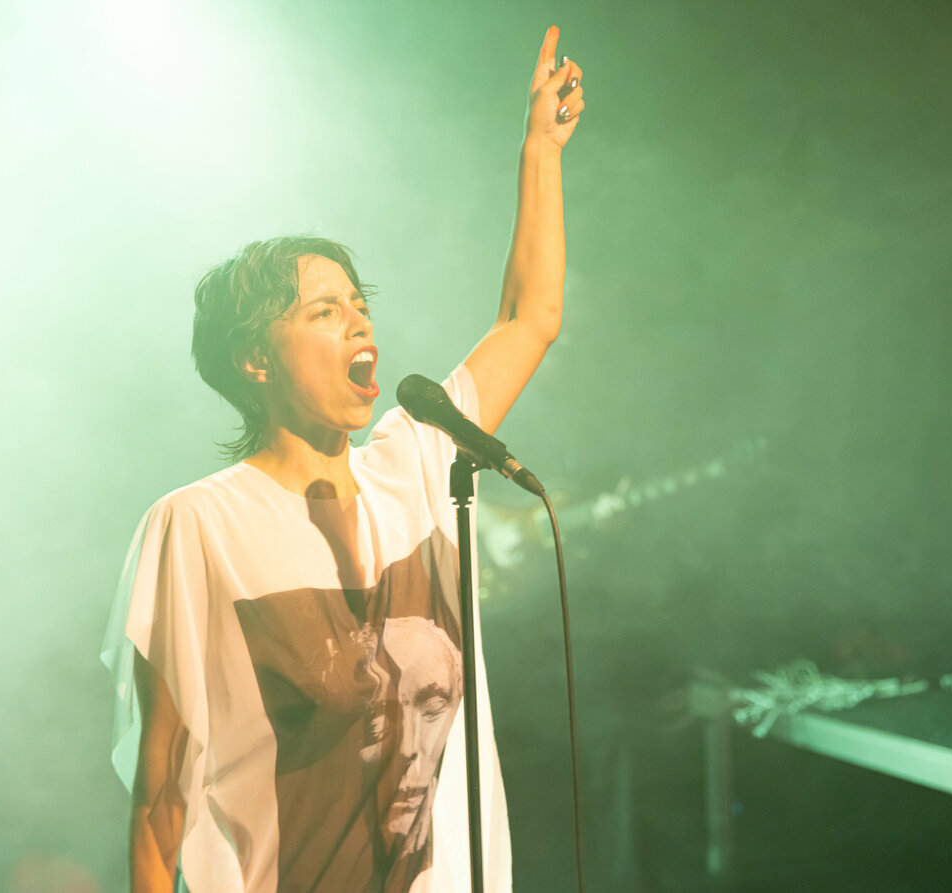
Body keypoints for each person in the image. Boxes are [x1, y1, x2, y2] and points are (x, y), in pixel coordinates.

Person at [100, 26, 585, 893]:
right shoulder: (199, 524)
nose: (360, 322)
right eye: (325, 311)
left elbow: (530, 316)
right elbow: (158, 802)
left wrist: (540, 151)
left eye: (360, 304)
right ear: (255, 359)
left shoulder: (419, 458)